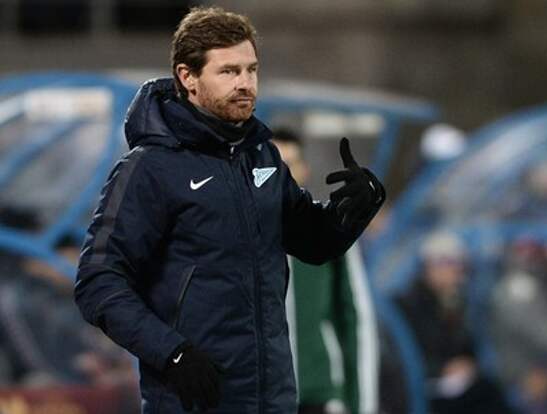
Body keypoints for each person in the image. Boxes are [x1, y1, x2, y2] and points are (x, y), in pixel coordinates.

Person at [73, 7, 385, 414]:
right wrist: (172, 353)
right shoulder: (149, 168)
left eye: (251, 70)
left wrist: (353, 210)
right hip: (193, 401)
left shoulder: (262, 155)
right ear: (188, 77)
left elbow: (311, 243)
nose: (245, 83)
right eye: (229, 71)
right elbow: (98, 281)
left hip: (273, 400)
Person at [272, 129, 379, 414]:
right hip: (263, 395)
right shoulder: (238, 235)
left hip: (319, 394)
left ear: (304, 170)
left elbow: (355, 319)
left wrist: (361, 405)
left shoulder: (328, 229)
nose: (282, 173)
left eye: (290, 163)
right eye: (274, 163)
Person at [396, 231, 515, 414]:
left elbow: (468, 348)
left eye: (458, 265)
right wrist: (442, 369)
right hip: (425, 387)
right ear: (428, 267)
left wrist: (467, 365)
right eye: (447, 264)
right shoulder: (406, 306)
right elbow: (404, 355)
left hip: (457, 385)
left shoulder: (458, 303)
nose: (455, 272)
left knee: (491, 391)